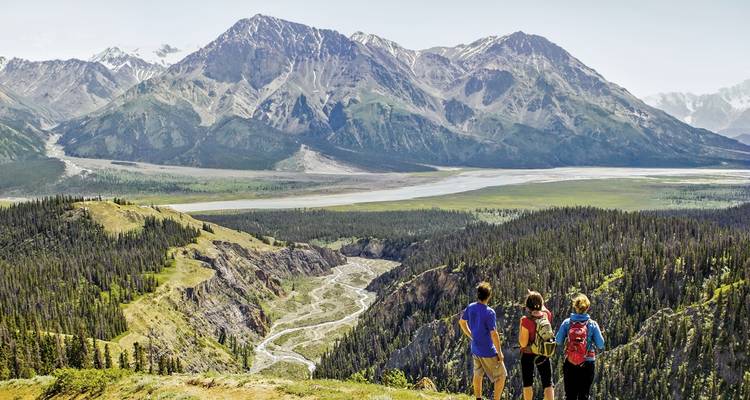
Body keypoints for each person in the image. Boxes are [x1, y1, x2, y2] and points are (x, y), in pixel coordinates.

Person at [459, 281, 506, 400]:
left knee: (478, 373)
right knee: (501, 375)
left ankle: (478, 398)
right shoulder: (490, 312)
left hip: (475, 348)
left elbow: (462, 322)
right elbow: (494, 334)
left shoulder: (471, 307)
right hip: (488, 350)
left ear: (478, 294)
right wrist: (499, 352)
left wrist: (470, 335)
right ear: (489, 296)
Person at [555, 293, 605, 400]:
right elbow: (601, 345)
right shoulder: (592, 324)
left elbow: (558, 341)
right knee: (584, 395)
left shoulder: (567, 323)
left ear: (575, 307)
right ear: (587, 307)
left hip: (570, 362)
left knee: (570, 396)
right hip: (587, 363)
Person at [519, 290, 555, 400]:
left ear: (527, 307)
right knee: (548, 382)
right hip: (543, 352)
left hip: (528, 354)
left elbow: (523, 343)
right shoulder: (547, 315)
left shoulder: (525, 320)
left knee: (528, 382)